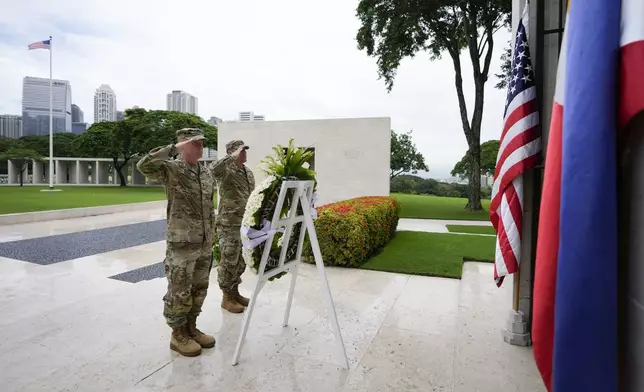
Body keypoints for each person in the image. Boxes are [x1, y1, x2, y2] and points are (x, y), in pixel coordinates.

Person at [136, 128, 223, 357]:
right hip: (182, 244)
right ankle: (178, 335)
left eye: (202, 144)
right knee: (179, 290)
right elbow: (144, 166)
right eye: (196, 144)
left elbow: (209, 209)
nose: (201, 148)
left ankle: (191, 328)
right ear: (184, 145)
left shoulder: (205, 174)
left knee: (199, 289)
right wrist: (173, 149)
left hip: (204, 244)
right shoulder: (172, 169)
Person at [209, 139, 255, 313]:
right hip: (229, 224)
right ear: (231, 153)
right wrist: (231, 157)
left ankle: (235, 293)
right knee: (228, 260)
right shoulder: (225, 170)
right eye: (241, 151)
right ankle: (226, 298)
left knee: (241, 260)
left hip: (244, 224)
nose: (244, 153)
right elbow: (211, 170)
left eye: (245, 150)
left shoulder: (248, 172)